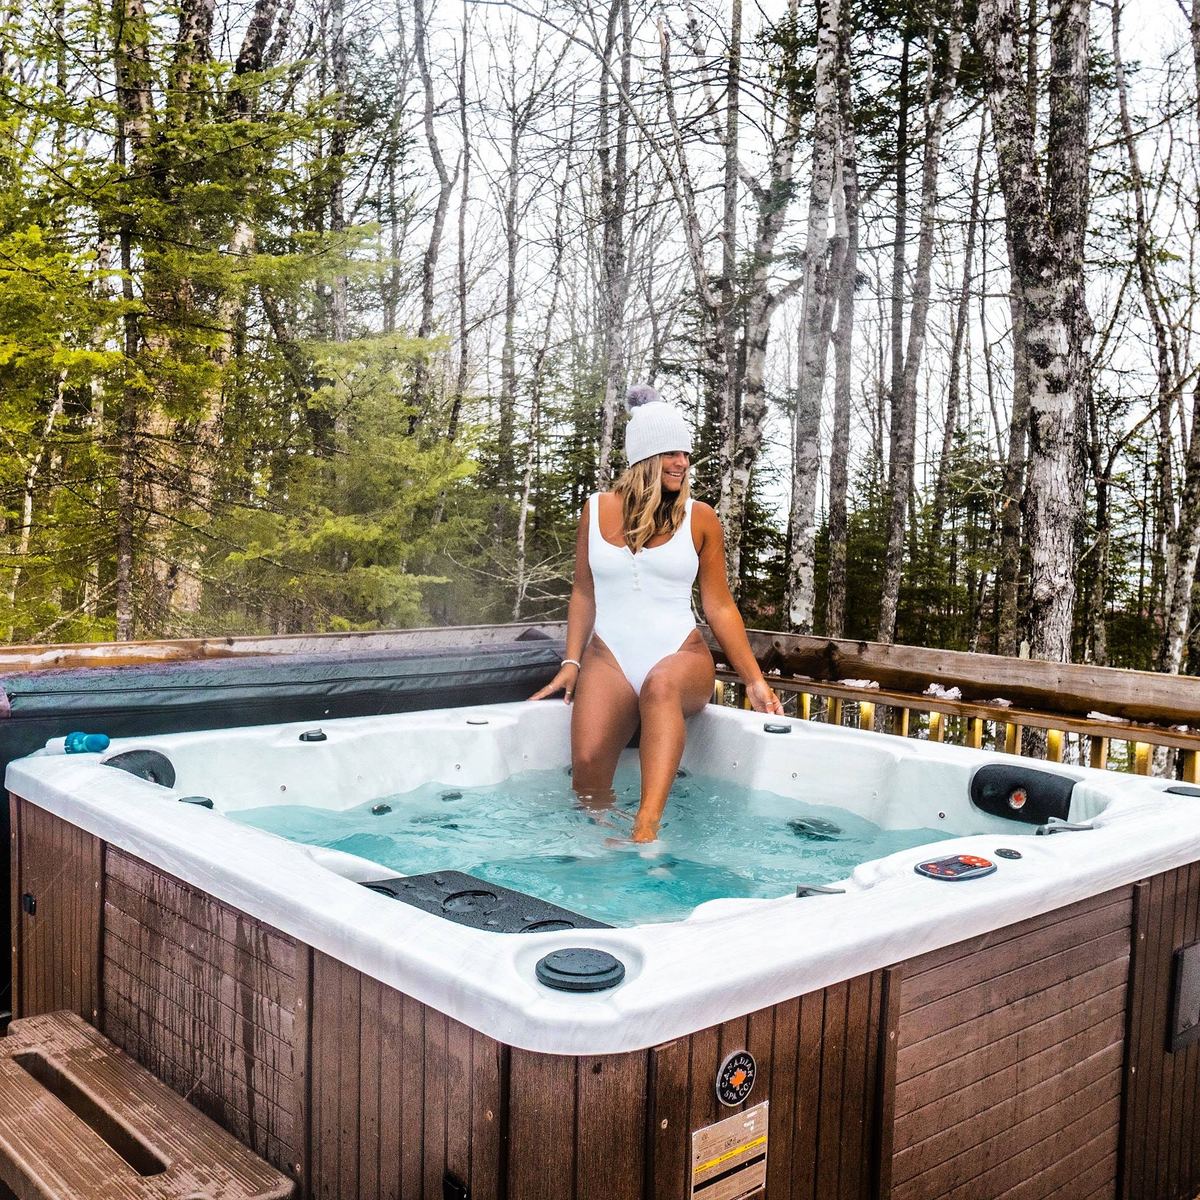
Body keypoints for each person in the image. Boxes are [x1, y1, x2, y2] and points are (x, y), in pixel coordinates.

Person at [531, 384, 784, 842]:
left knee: (661, 684)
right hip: (610, 655)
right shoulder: (595, 509)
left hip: (679, 656)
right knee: (587, 775)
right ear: (644, 457)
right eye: (670, 453)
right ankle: (606, 850)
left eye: (685, 454)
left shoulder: (700, 517)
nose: (682, 463)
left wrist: (753, 678)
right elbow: (584, 593)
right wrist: (572, 662)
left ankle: (646, 828)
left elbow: (719, 604)